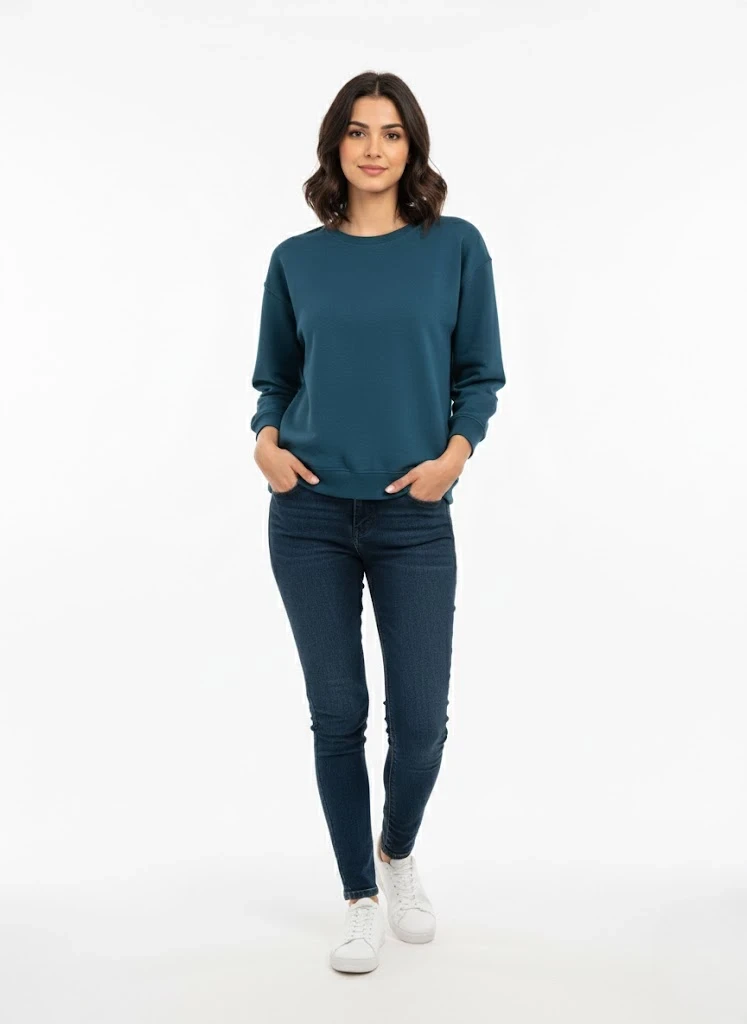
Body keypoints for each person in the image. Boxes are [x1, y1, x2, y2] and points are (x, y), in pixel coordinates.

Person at [250, 71, 506, 974]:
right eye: (357, 131)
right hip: (308, 515)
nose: (372, 148)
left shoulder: (455, 247)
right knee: (337, 717)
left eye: (390, 133)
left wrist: (454, 455)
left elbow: (478, 374)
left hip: (413, 517)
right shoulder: (296, 259)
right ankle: (358, 896)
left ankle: (396, 852)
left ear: (412, 147)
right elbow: (274, 378)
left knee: (422, 724)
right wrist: (264, 442)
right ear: (335, 145)